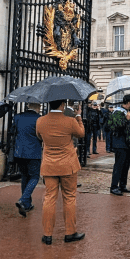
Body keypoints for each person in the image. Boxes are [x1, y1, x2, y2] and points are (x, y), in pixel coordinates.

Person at [35, 98, 86, 244]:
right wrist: (78, 116)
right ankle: (70, 232)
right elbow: (81, 133)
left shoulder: (40, 121)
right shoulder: (69, 121)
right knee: (69, 197)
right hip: (67, 164)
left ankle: (47, 234)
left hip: (49, 165)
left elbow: (39, 137)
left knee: (49, 198)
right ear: (63, 105)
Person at [12, 102, 42, 216]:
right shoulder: (39, 119)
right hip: (33, 152)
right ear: (38, 107)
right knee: (34, 177)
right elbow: (41, 135)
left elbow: (13, 132)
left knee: (25, 176)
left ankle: (27, 204)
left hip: (19, 152)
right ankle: (23, 199)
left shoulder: (18, 116)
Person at [108, 94, 130, 195]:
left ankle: (122, 185)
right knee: (119, 165)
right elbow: (117, 125)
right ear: (129, 102)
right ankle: (114, 186)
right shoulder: (118, 112)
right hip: (120, 143)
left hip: (127, 143)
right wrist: (126, 119)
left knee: (126, 166)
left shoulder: (128, 112)